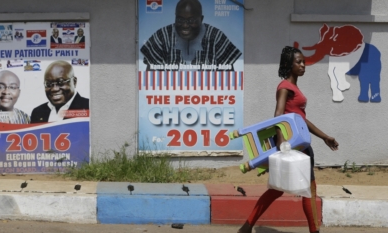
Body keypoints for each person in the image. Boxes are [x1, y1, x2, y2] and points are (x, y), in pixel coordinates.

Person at [238, 46, 339, 233]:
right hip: (294, 146)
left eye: (303, 61)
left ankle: (247, 226)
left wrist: (324, 136)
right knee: (308, 189)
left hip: (299, 144)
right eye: (298, 62)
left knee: (279, 189)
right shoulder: (285, 87)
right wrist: (281, 140)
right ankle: (314, 230)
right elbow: (278, 114)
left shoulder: (293, 87)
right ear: (288, 64)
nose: (303, 65)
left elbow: (300, 118)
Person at [140, 0, 241, 71]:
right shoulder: (162, 37)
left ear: (201, 19)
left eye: (191, 20)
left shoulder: (216, 37)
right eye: (180, 19)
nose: (184, 25)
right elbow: (150, 78)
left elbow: (229, 79)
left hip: (207, 98)